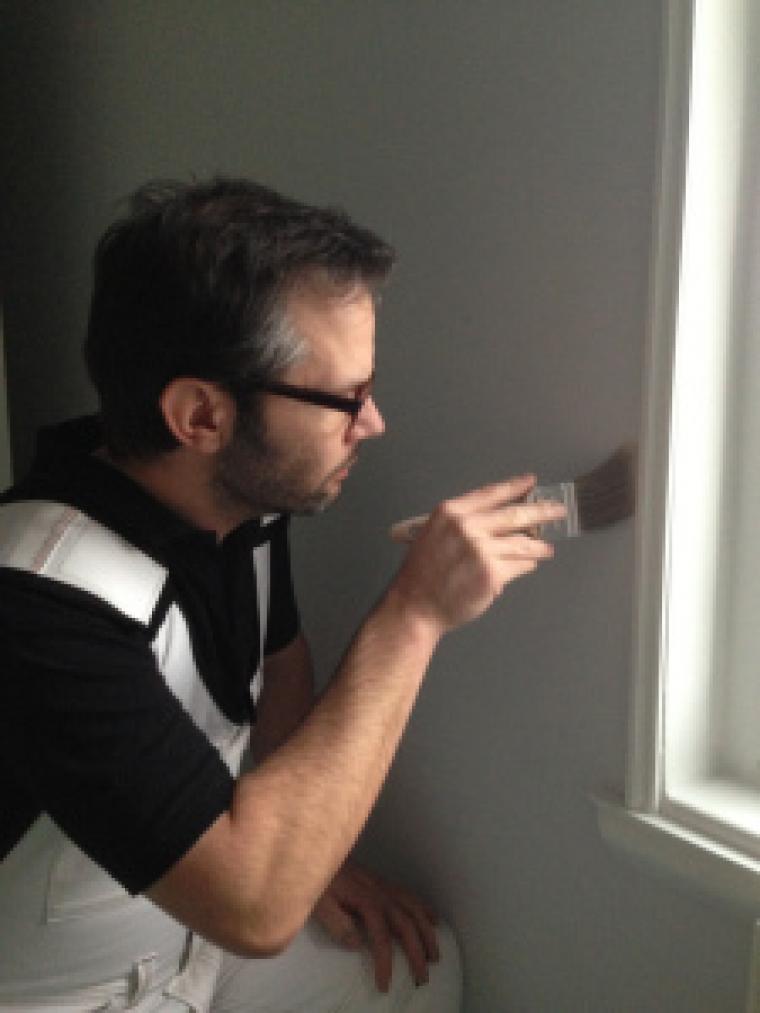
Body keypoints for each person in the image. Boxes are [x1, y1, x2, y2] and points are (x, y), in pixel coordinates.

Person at [0, 178, 565, 1012]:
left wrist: (320, 859)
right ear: (201, 416)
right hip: (53, 989)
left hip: (195, 949)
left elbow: (279, 671)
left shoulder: (243, 503)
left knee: (420, 966)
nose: (372, 423)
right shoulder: (41, 603)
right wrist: (413, 616)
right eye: (345, 397)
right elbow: (256, 908)